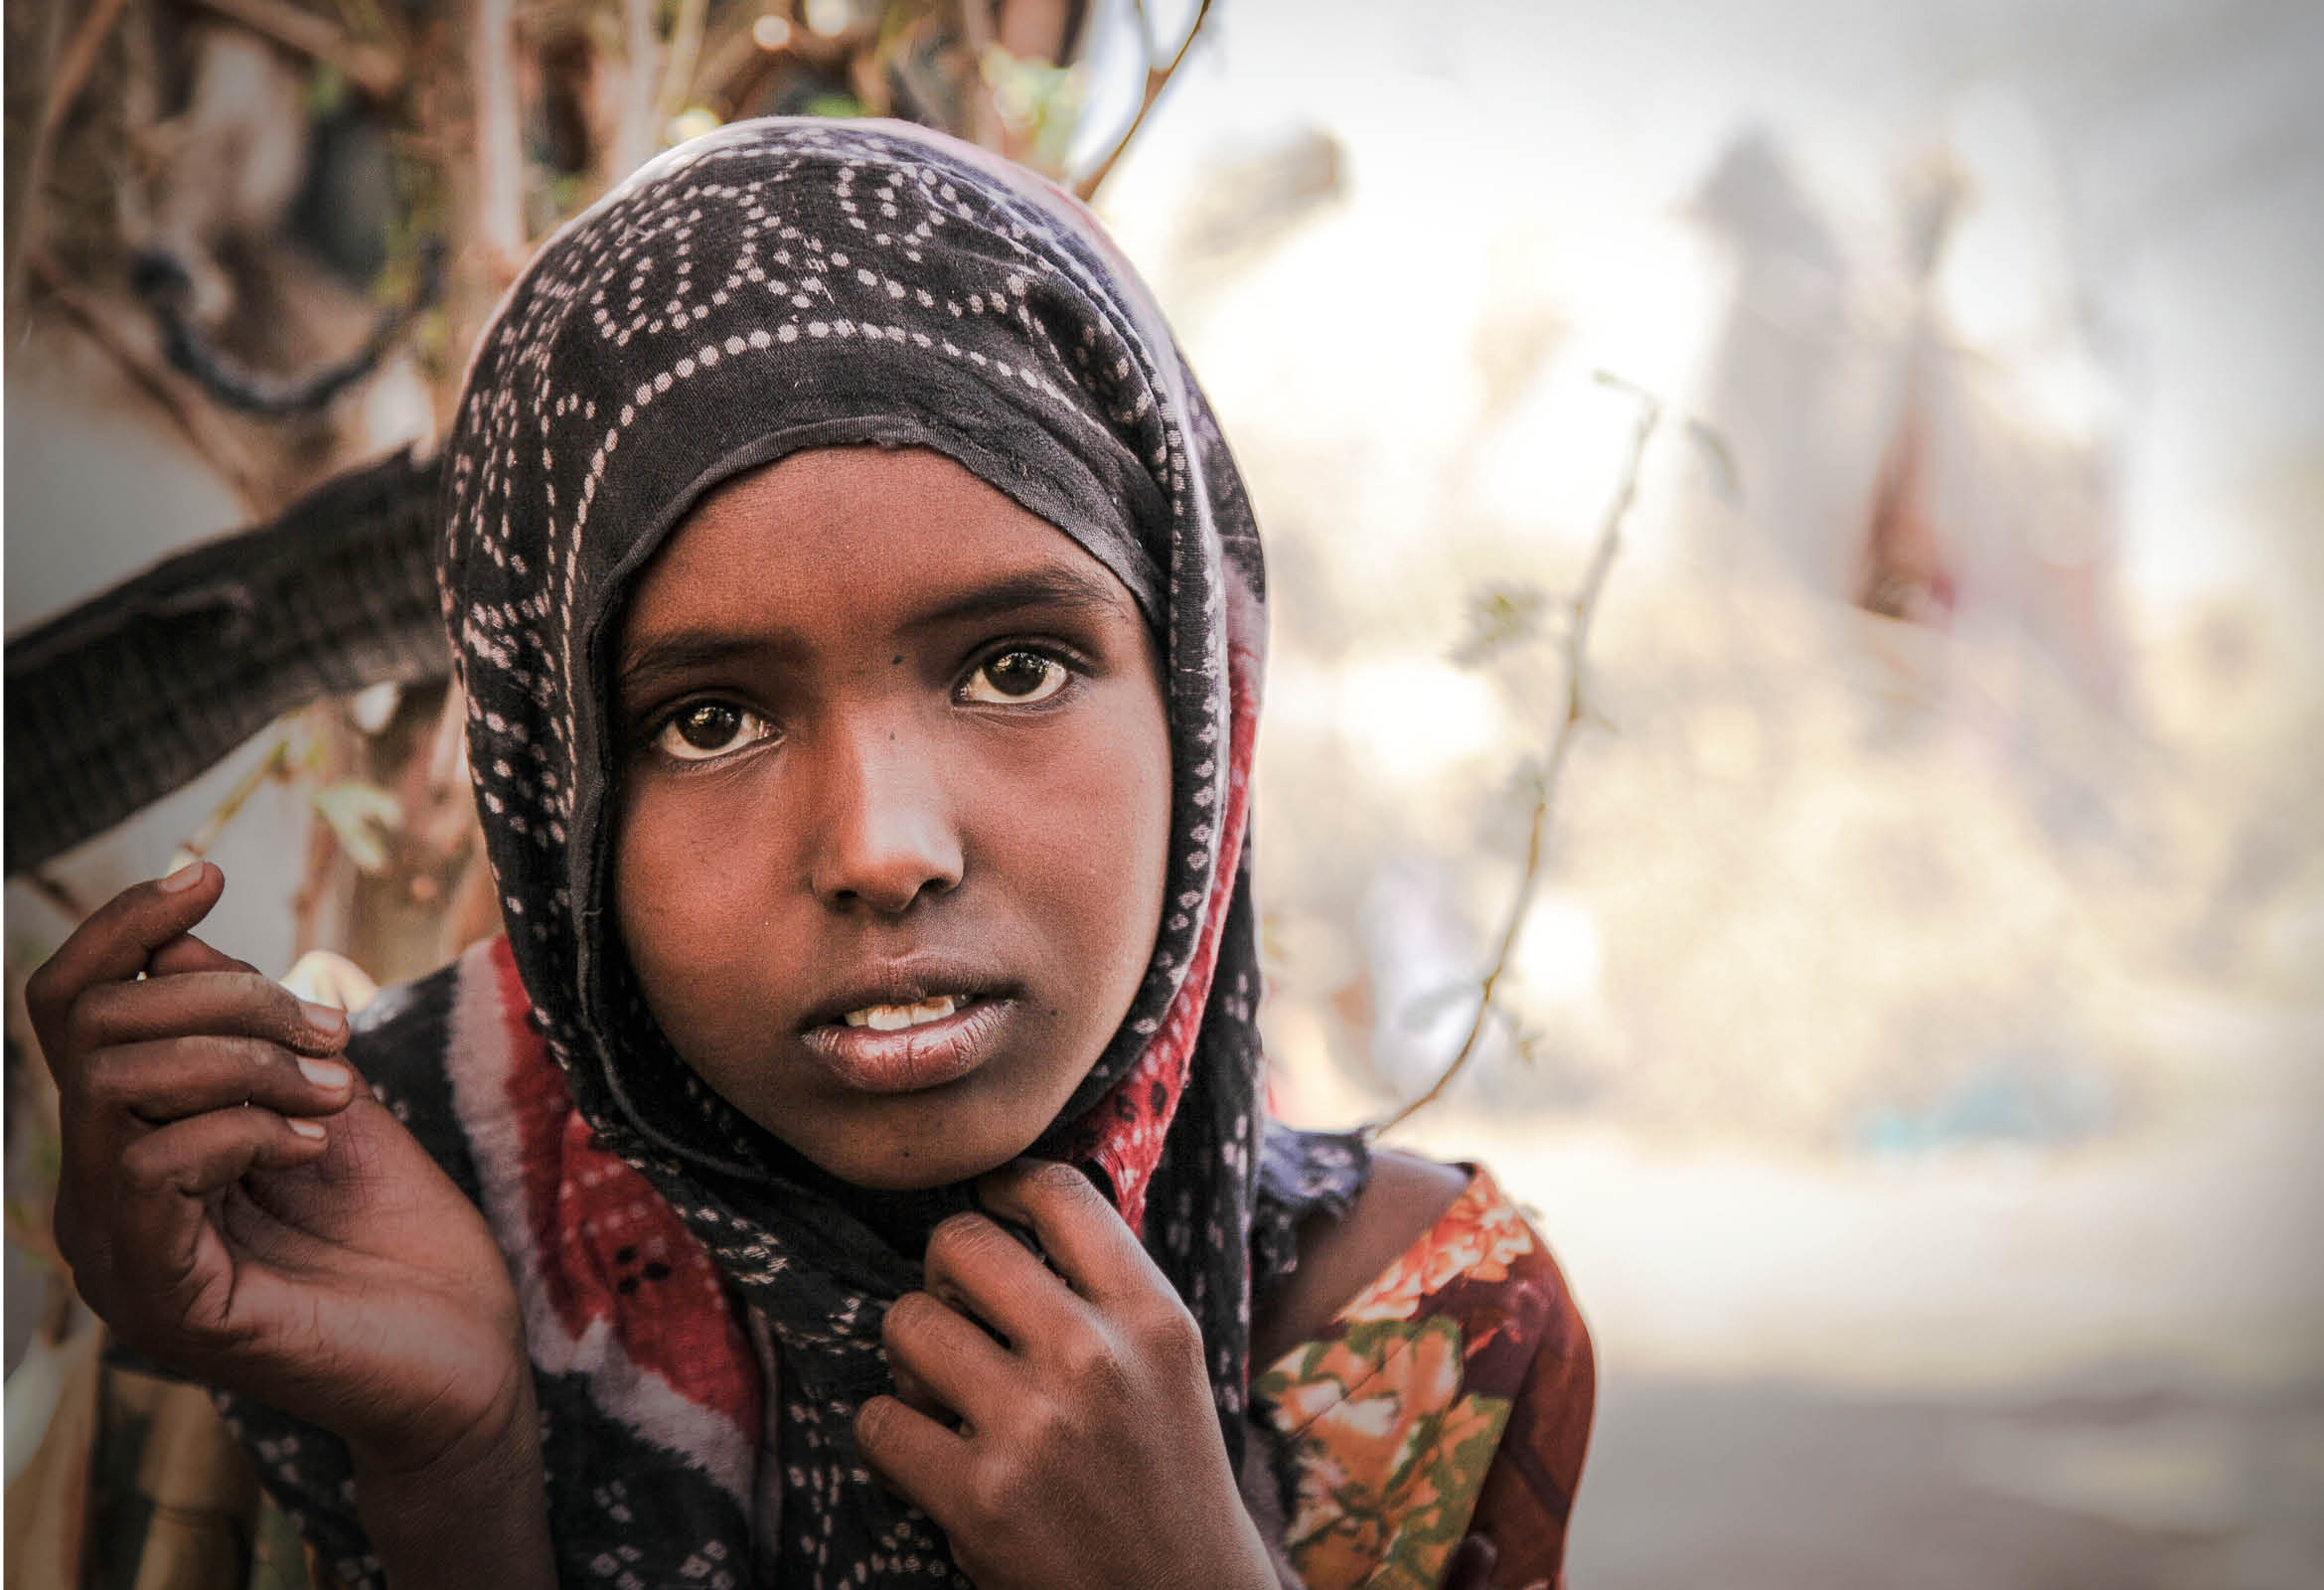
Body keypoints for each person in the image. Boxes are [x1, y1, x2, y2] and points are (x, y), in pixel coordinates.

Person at [28, 118, 1593, 1589]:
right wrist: (455, 1465)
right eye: (709, 720)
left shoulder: (1430, 1333)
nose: (883, 849)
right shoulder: (283, 1241)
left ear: (1199, 700)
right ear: (556, 797)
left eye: (1016, 667)